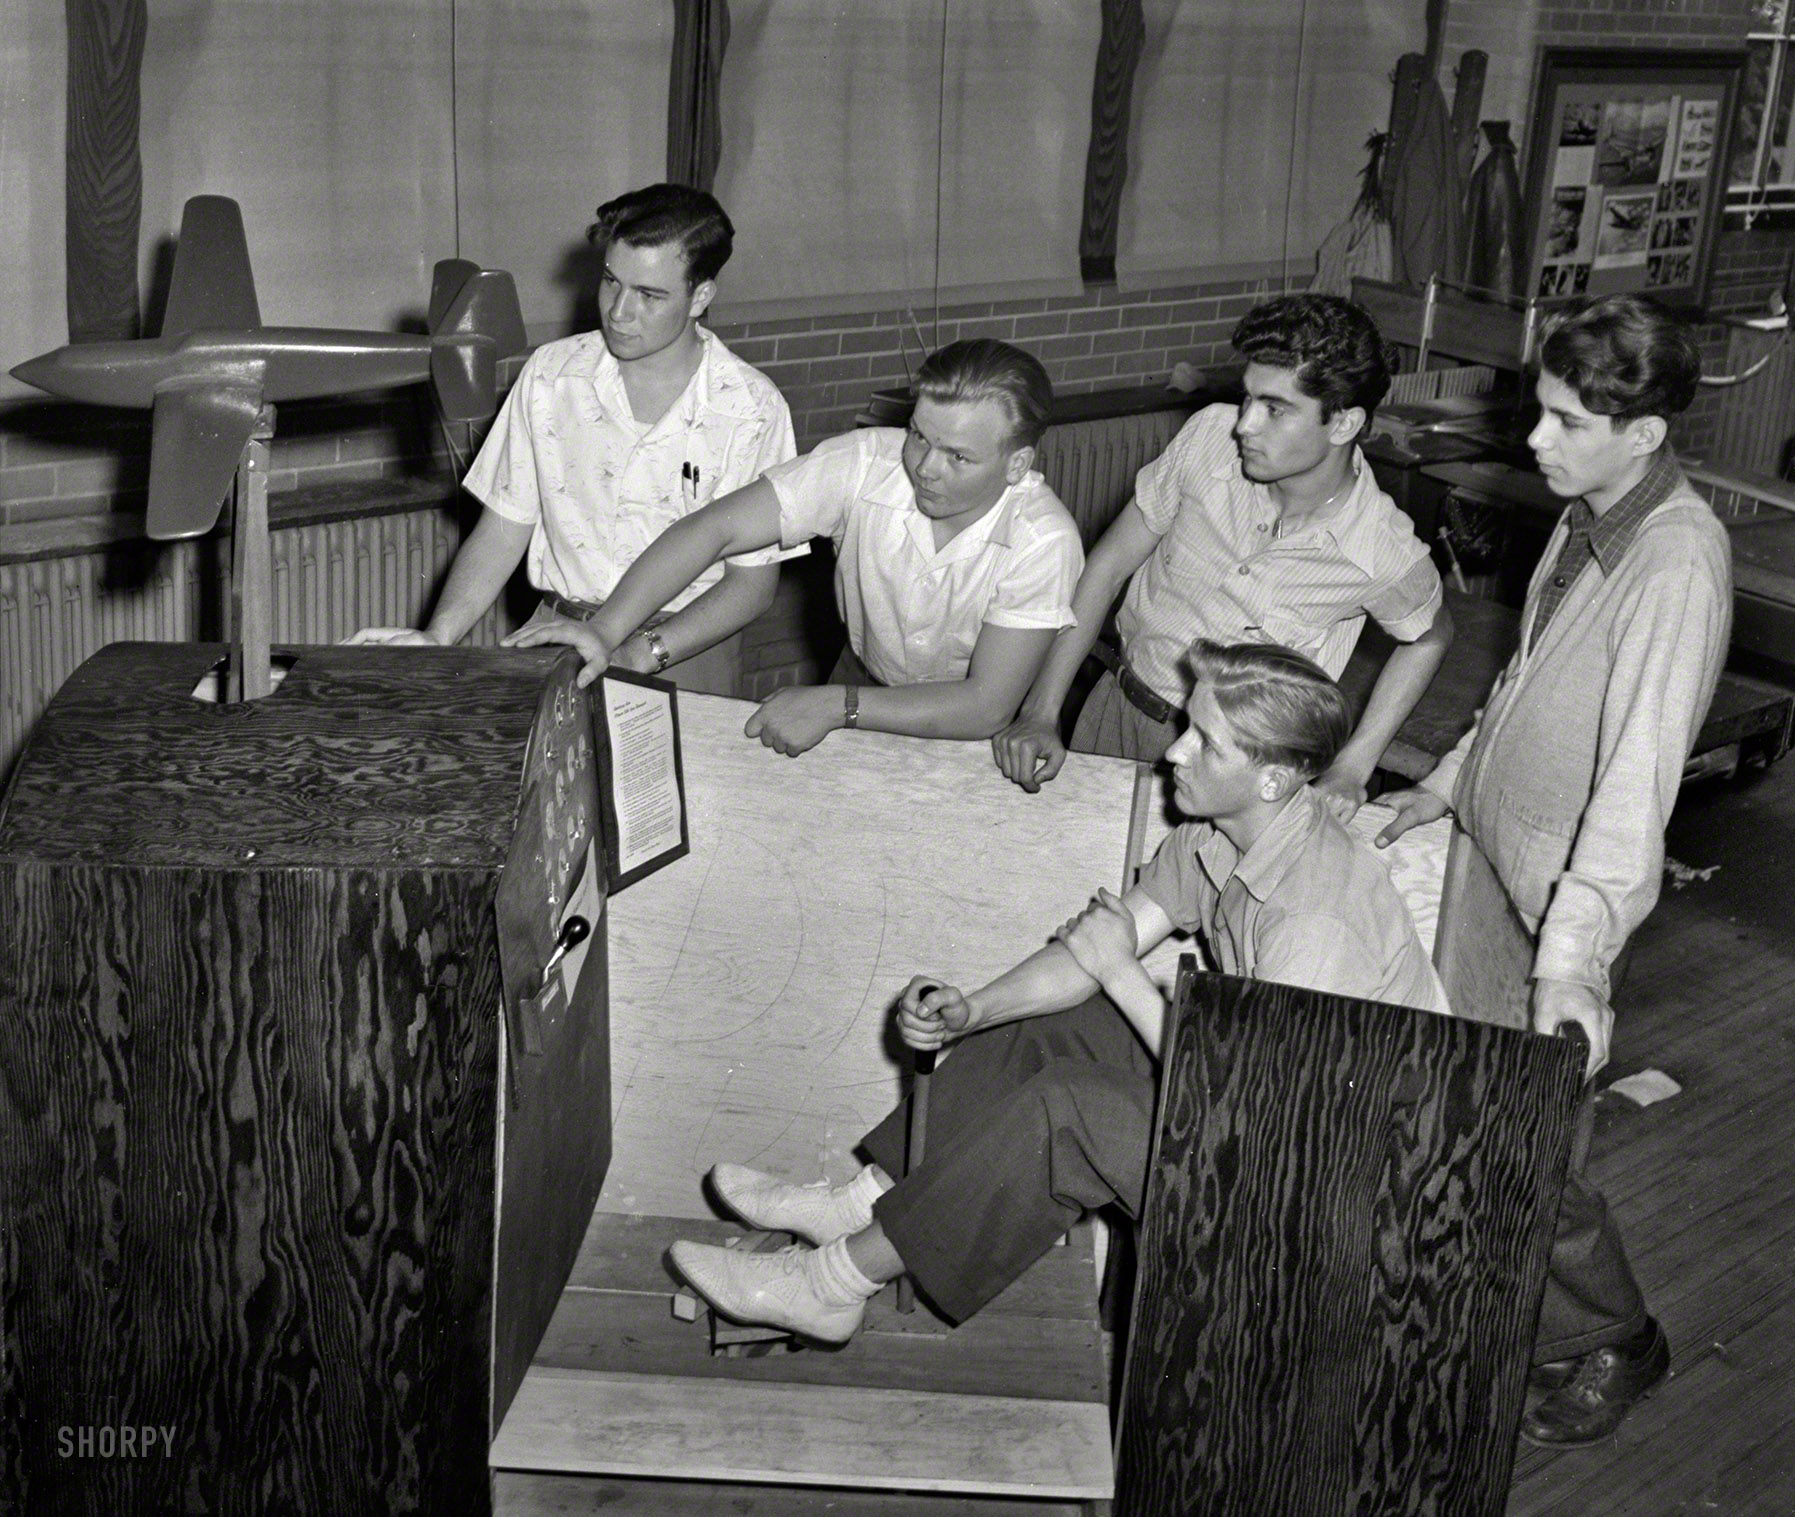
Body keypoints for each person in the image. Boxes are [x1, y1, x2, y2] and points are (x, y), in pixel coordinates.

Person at [666, 639, 1449, 1341]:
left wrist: (1119, 970)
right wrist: (975, 1010)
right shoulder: (1220, 833)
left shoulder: (1317, 917)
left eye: (1204, 741)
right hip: (1274, 1103)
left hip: (1333, 1185)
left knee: (1067, 1107)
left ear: (1273, 778)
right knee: (1067, 1022)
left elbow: (1259, 1098)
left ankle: (831, 1285)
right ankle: (865, 1201)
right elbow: (1086, 960)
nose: (1174, 751)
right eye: (1188, 724)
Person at [1376, 293, 1730, 1447]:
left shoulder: (1674, 563)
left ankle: (1612, 1335)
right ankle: (1500, 1307)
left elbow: (1637, 782)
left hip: (1557, 906)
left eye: (1568, 421)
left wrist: (1573, 963)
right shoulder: (1591, 517)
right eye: (1542, 409)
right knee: (1473, 1120)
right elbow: (1526, 680)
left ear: (1645, 432)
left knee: (1529, 1148)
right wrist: (1454, 779)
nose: (1536, 439)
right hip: (1495, 858)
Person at [991, 292, 1453, 821]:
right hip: (1116, 709)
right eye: (1248, 397)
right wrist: (1042, 709)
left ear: (1344, 424)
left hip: (1238, 772)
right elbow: (1108, 565)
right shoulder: (1209, 435)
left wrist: (1354, 766)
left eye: (1275, 409)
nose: (1245, 424)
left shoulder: (1382, 546)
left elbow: (1431, 636)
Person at [508, 339, 1085, 756]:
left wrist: (838, 706)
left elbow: (984, 706)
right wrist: (609, 633)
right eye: (918, 436)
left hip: (963, 726)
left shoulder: (1044, 540)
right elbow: (714, 529)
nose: (925, 468)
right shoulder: (863, 461)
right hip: (859, 676)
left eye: (958, 456)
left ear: (1018, 464)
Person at [349, 183, 797, 695]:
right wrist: (439, 634)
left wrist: (636, 652)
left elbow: (752, 585)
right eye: (611, 282)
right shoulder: (551, 375)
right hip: (557, 640)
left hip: (683, 651)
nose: (619, 311)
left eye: (650, 295)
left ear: (701, 296)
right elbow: (502, 530)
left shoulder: (752, 409)